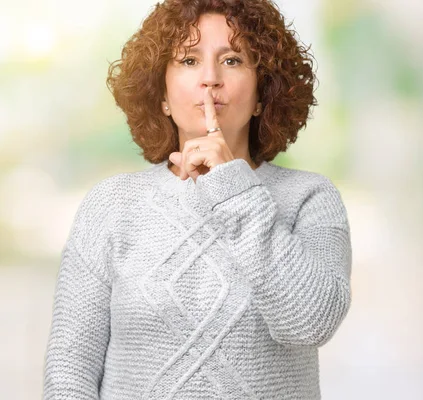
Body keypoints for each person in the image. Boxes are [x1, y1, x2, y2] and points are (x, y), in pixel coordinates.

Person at [42, 0, 352, 398]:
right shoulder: (111, 206)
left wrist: (232, 185)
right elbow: (70, 367)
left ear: (262, 94)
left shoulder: (311, 198)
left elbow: (311, 323)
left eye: (233, 60)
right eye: (189, 60)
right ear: (163, 95)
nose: (210, 78)